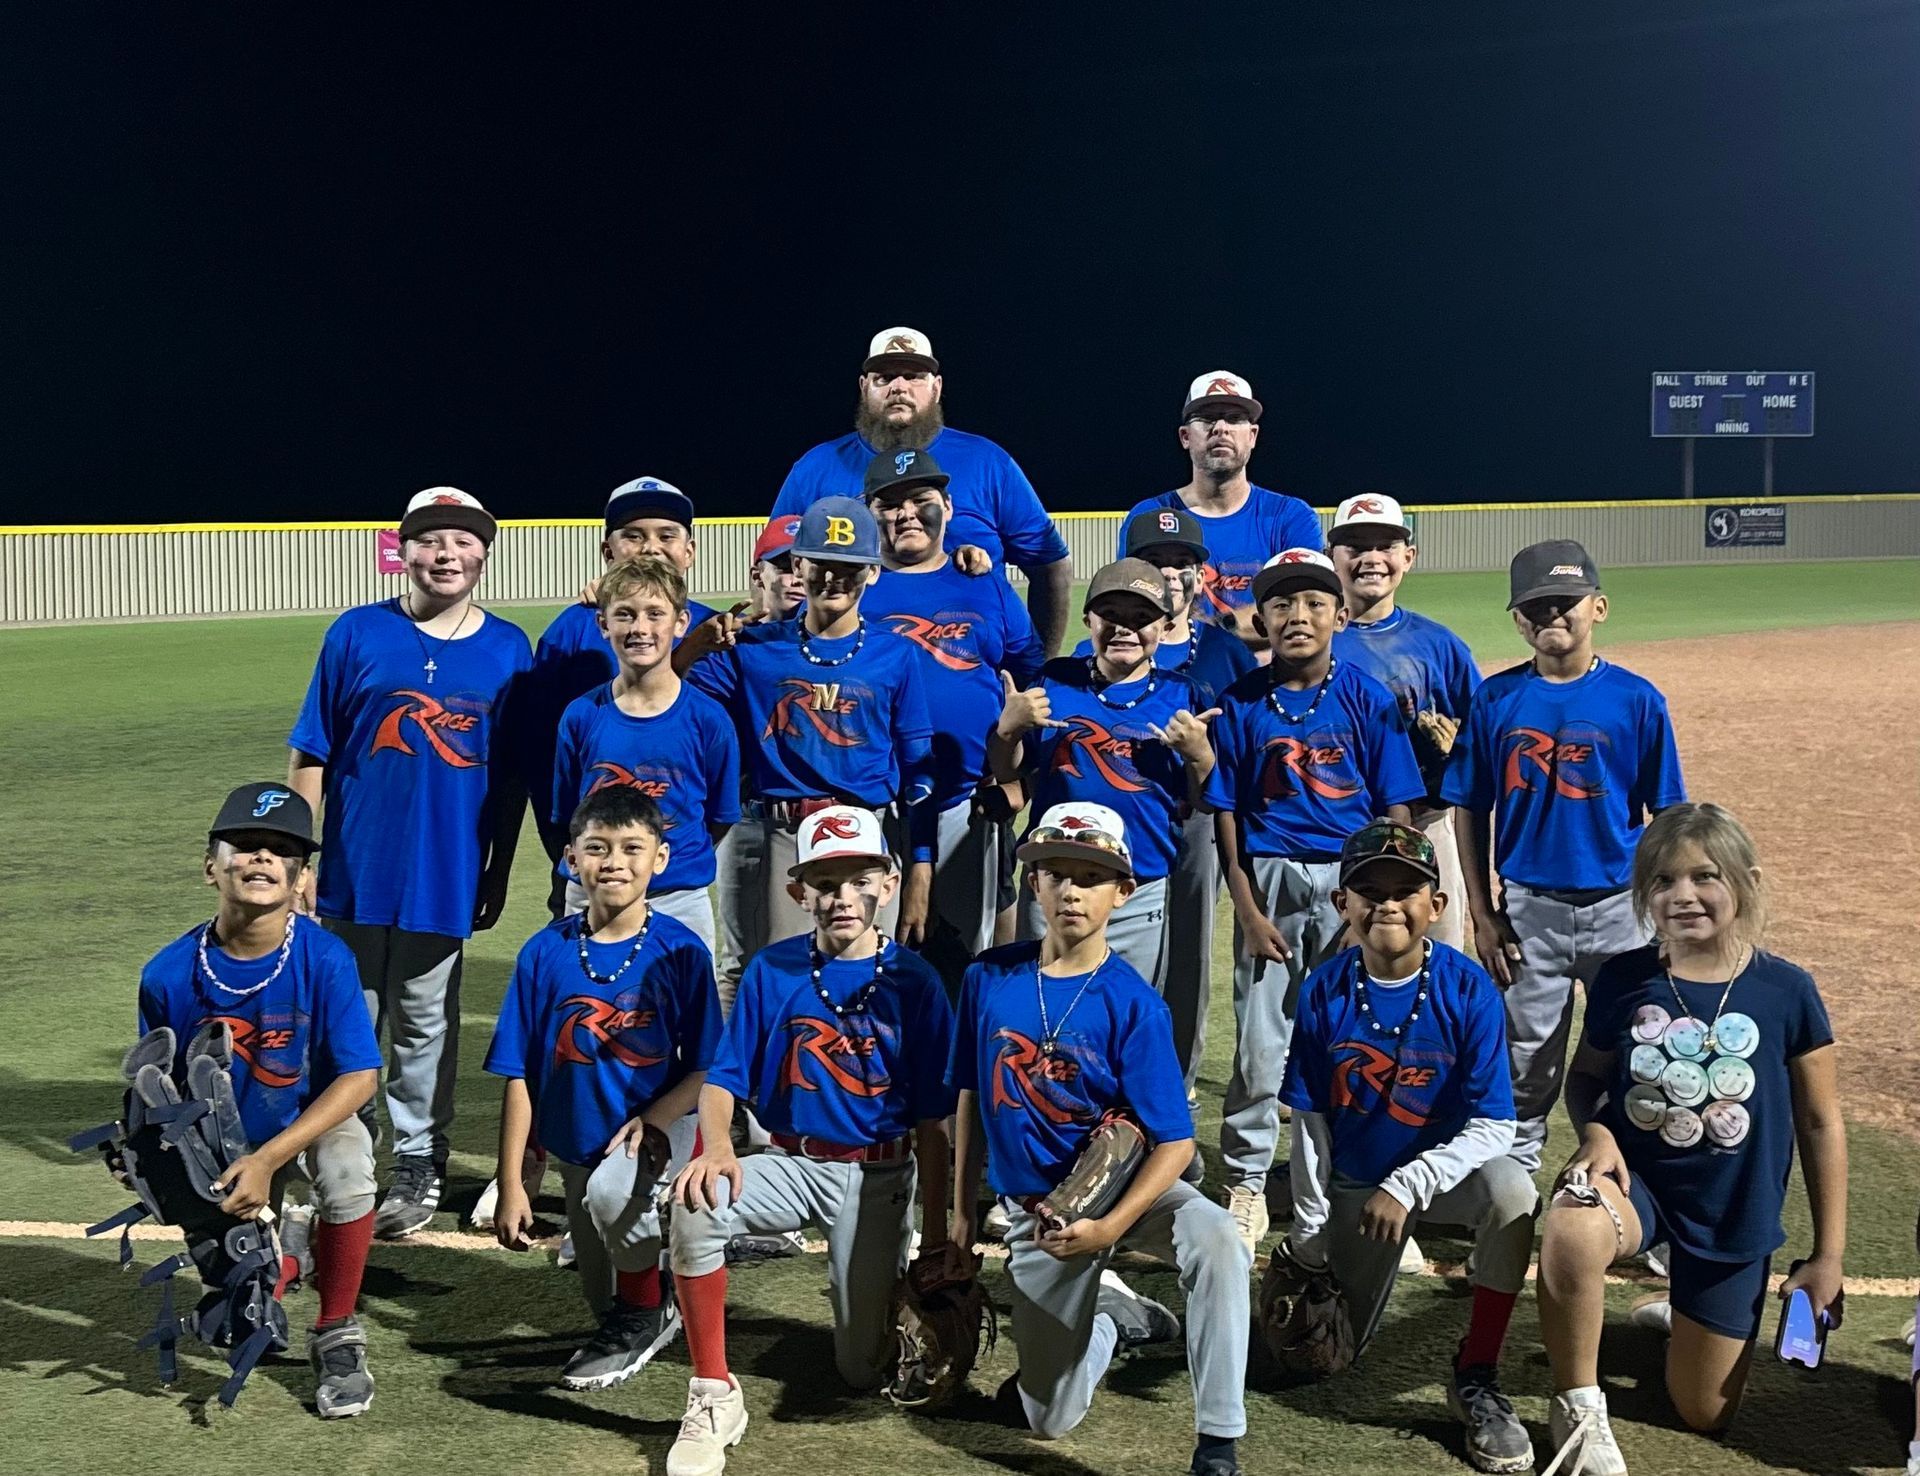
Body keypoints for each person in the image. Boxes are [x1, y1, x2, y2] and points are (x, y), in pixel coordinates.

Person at [1535, 803, 1845, 1476]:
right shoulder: (1624, 978)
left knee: (1703, 1412)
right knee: (1572, 1224)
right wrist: (1597, 1130)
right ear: (1643, 892)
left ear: (1746, 882)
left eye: (1705, 876)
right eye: (1663, 880)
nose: (1683, 895)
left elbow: (1821, 1122)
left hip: (1732, 1210)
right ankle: (1578, 1407)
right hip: (1637, 1187)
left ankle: (1682, 1311)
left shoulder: (1787, 990)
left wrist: (1828, 1255)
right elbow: (1585, 1078)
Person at [947, 804, 1251, 1476]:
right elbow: (967, 1093)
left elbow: (1175, 1144)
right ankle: (1116, 1318)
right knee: (1048, 1417)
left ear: (1123, 892)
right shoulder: (987, 978)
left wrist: (1111, 1227)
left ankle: (1218, 1441)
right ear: (1033, 883)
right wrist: (962, 1213)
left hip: (1125, 1196)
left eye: (1091, 877)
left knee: (1217, 1239)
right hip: (1040, 1215)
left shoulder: (1133, 1002)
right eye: (1056, 873)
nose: (1072, 891)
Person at [665, 806, 958, 1476]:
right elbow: (724, 1077)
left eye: (860, 880)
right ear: (799, 891)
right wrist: (716, 1149)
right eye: (825, 883)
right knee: (695, 1203)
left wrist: (939, 1234)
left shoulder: (915, 982)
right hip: (790, 1161)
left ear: (888, 885)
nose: (843, 897)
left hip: (879, 1177)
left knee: (861, 1371)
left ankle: (876, 1282)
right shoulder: (773, 969)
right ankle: (713, 1392)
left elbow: (935, 1121)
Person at [288, 486, 531, 1238]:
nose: (446, 554)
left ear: (483, 554)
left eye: (462, 541)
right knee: (350, 1020)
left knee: (426, 1023)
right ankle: (346, 1152)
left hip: (445, 869)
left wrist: (496, 870)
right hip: (353, 868)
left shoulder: (508, 648)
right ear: (404, 551)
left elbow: (511, 781)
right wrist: (299, 860)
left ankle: (421, 1158)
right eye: (430, 540)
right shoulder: (357, 631)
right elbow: (312, 752)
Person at [1279, 820, 1536, 1475]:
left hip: (1437, 1182)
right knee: (1321, 1357)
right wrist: (1309, 1234)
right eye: (1370, 891)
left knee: (1513, 1194)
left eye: (1406, 891)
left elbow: (1495, 1126)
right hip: (1359, 1185)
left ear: (1436, 905)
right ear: (1343, 903)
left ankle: (1476, 1371)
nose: (1388, 904)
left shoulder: (1468, 988)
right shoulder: (1323, 988)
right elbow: (1310, 1121)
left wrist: (1410, 1182)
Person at [133, 783, 382, 1418]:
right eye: (245, 845)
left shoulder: (326, 959)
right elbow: (155, 1082)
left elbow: (359, 1078)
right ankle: (282, 1256)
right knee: (244, 1316)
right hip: (221, 1143)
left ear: (303, 880)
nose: (262, 858)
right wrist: (147, 1145)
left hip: (310, 1120)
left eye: (281, 850)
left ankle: (338, 1329)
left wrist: (270, 1160)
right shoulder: (167, 974)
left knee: (348, 1170)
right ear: (210, 866)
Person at [1440, 540, 1686, 1176]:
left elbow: (1668, 817)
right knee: (1523, 1070)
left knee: (1637, 1062)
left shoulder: (1637, 699)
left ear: (1598, 607)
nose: (1552, 614)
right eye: (1535, 605)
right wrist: (1483, 914)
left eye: (1565, 601)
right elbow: (1470, 807)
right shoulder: (1495, 699)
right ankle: (1509, 1206)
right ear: (1518, 620)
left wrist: (1665, 915)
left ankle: (1631, 1196)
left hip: (1623, 912)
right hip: (1529, 913)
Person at [1205, 549, 1424, 1255]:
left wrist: (1373, 907)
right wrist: (1247, 911)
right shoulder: (1243, 702)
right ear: (1262, 618)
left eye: (1314, 604)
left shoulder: (1366, 697)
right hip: (1269, 877)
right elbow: (1227, 816)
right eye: (1281, 604)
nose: (1297, 617)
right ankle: (1246, 1180)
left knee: (1354, 1041)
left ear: (1339, 615)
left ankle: (1357, 1186)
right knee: (1262, 1043)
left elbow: (1396, 808)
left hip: (1351, 879)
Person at [486, 786, 722, 1392]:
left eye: (631, 848)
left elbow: (706, 1067)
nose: (614, 862)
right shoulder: (544, 952)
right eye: (597, 848)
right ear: (571, 859)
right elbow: (519, 1073)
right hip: (577, 1145)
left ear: (660, 859)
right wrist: (511, 1183)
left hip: (658, 1129)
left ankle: (651, 1301)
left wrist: (656, 1119)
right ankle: (654, 1287)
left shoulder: (681, 951)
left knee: (615, 1203)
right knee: (602, 1299)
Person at [684, 497, 935, 1007]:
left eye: (849, 567)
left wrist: (921, 867)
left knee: (869, 979)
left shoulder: (896, 653)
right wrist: (693, 646)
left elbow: (918, 769)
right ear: (798, 565)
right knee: (771, 981)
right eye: (821, 563)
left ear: (873, 572)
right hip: (782, 834)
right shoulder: (754, 648)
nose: (833, 578)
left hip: (867, 833)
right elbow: (667, 693)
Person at [1079, 508, 1256, 1114]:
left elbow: (1244, 742)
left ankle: (1176, 1079)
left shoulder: (1225, 652)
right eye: (1156, 562)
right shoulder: (1098, 646)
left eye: (1183, 563)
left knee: (1189, 952)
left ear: (1202, 575)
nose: (1172, 574)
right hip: (1122, 822)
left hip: (1199, 818)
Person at [990, 558, 1219, 994]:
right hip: (1054, 877)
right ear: (1088, 619)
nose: (1123, 628)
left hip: (1138, 885)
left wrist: (1200, 755)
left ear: (1164, 626)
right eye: (1109, 614)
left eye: (1141, 617)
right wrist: (1008, 730)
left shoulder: (1184, 694)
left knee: (1125, 1009)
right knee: (1045, 1002)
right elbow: (1008, 771)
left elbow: (1205, 799)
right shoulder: (1054, 681)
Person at [770, 326, 1074, 654]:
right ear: (864, 387)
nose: (899, 387)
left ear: (936, 387)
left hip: (969, 664)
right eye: (884, 378)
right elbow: (772, 564)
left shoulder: (987, 462)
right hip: (849, 669)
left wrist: (1045, 660)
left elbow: (1050, 565)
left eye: (914, 376)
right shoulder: (816, 468)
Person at [862, 446, 1047, 984]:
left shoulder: (982, 582)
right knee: (872, 963)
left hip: (967, 806)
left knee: (966, 963)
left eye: (919, 499)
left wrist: (1017, 775)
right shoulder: (856, 586)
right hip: (876, 804)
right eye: (888, 504)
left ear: (947, 506)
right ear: (869, 513)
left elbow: (1029, 672)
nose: (905, 513)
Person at [527, 477, 721, 897]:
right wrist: (566, 852)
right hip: (592, 862)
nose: (651, 547)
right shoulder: (571, 631)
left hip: (679, 872)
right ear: (607, 551)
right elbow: (545, 762)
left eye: (666, 535)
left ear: (689, 551)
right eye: (633, 536)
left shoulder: (717, 630)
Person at [552, 558, 740, 952]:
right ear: (603, 624)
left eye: (655, 614)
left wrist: (669, 863)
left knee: (684, 993)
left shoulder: (708, 719)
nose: (640, 628)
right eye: (625, 614)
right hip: (593, 893)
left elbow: (719, 817)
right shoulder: (581, 715)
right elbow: (569, 812)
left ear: (681, 622)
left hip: (678, 897)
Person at [1327, 494, 1481, 951]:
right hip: (1340, 826)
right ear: (1332, 556)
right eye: (1356, 547)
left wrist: (1461, 750)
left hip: (1427, 824)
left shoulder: (1440, 645)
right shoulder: (1316, 643)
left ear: (1408, 558)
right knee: (1342, 966)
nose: (1371, 558)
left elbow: (1482, 739)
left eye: (1386, 546)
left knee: (1439, 955)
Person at [1120, 371, 1323, 648]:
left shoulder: (1290, 517)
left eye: (1235, 418)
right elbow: (1132, 607)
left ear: (1252, 436)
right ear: (1185, 436)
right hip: (1172, 673)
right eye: (1206, 418)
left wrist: (1206, 635)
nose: (1220, 428)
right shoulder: (1149, 516)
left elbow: (1305, 611)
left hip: (1264, 675)